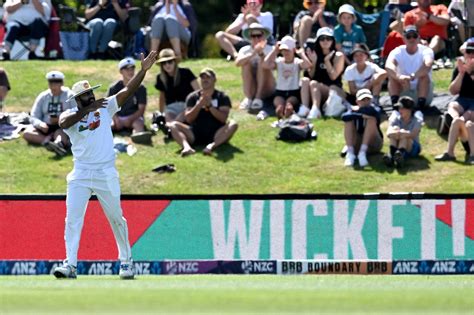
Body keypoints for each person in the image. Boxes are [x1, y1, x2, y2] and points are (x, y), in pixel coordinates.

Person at [53, 50, 158, 279]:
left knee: (115, 217)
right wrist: (85, 110)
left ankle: (126, 263)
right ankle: (70, 265)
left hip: (105, 171)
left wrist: (143, 70)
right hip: (80, 172)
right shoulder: (72, 114)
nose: (91, 98)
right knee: (72, 219)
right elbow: (62, 122)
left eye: (91, 94)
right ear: (78, 99)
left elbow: (127, 91)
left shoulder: (105, 106)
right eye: (86, 96)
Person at [168, 68, 238, 157]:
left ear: (214, 80)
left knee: (233, 124)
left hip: (216, 133)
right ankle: (187, 148)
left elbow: (223, 118)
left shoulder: (222, 97)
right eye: (202, 78)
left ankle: (211, 146)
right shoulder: (192, 97)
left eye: (208, 77)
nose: (205, 80)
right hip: (195, 132)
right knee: (173, 125)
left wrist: (210, 106)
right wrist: (199, 104)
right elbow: (189, 119)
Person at [435, 39, 474, 164]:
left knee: (466, 118)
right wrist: (462, 73)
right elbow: (453, 91)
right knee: (453, 107)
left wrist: (471, 72)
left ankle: (453, 126)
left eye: (473, 52)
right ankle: (450, 151)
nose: (470, 55)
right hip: (463, 99)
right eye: (468, 52)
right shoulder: (460, 68)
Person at [23, 71, 74, 156]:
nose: (53, 86)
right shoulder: (43, 96)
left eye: (56, 83)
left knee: (60, 133)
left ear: (62, 83)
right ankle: (49, 143)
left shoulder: (70, 95)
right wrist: (40, 124)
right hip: (46, 126)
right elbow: (34, 115)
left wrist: (61, 119)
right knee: (27, 133)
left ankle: (58, 144)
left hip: (62, 126)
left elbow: (76, 113)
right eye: (51, 83)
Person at [385, 25, 434, 113]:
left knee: (424, 77)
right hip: (404, 89)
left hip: (422, 92)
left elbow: (427, 65)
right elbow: (389, 65)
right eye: (408, 36)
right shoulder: (397, 51)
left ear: (418, 38)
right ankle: (395, 105)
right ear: (404, 39)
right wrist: (399, 77)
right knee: (392, 77)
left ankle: (420, 107)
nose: (412, 39)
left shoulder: (426, 51)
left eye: (414, 36)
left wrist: (412, 76)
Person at [262, 35, 311, 119]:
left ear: (293, 50)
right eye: (283, 50)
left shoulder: (297, 62)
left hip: (293, 91)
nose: (285, 53)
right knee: (279, 104)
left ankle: (288, 110)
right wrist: (274, 51)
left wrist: (301, 54)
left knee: (289, 103)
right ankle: (280, 111)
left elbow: (308, 65)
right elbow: (265, 64)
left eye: (288, 50)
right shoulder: (279, 62)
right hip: (280, 91)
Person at [301, 27, 345, 119]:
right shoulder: (314, 54)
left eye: (328, 38)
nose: (325, 41)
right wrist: (314, 62)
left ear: (332, 40)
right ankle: (305, 108)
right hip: (315, 90)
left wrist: (327, 61)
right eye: (322, 39)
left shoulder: (338, 56)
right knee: (305, 80)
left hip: (333, 90)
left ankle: (316, 110)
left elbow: (333, 77)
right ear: (318, 41)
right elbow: (311, 76)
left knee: (314, 83)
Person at [107, 57, 151, 144]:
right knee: (108, 125)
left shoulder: (141, 88)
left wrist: (130, 119)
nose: (130, 71)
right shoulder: (114, 88)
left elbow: (141, 109)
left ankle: (137, 138)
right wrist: (116, 119)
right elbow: (109, 107)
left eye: (132, 68)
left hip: (134, 117)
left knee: (138, 124)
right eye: (127, 69)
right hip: (118, 117)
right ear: (121, 71)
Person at [235, 22, 275, 112]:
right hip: (251, 86)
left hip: (267, 86)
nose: (256, 38)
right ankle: (249, 97)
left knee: (262, 63)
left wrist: (260, 53)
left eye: (259, 35)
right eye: (253, 36)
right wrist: (253, 53)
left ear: (263, 36)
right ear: (250, 37)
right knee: (246, 64)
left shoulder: (270, 49)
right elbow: (237, 63)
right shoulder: (245, 50)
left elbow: (271, 66)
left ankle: (258, 97)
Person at [154, 48, 199, 124]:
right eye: (164, 63)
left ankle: (172, 129)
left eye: (170, 61)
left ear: (175, 62)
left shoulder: (186, 72)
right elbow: (162, 97)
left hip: (187, 105)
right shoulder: (160, 78)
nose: (167, 65)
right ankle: (171, 128)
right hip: (171, 107)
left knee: (178, 119)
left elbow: (198, 91)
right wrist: (161, 113)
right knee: (168, 117)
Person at [342, 89, 383, 168]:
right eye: (363, 100)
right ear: (357, 101)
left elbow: (375, 113)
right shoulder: (353, 110)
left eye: (368, 99)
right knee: (349, 121)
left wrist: (359, 112)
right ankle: (350, 153)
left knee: (371, 119)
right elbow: (344, 117)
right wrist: (360, 115)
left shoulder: (375, 108)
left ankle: (362, 152)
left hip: (374, 143)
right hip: (358, 142)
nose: (366, 102)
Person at [384, 96, 422, 168]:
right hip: (398, 143)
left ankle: (399, 155)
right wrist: (397, 132)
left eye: (402, 108)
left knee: (405, 137)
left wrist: (402, 133)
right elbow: (388, 133)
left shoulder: (416, 120)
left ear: (409, 110)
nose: (400, 110)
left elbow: (413, 135)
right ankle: (394, 155)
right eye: (399, 108)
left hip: (412, 147)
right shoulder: (396, 118)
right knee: (394, 135)